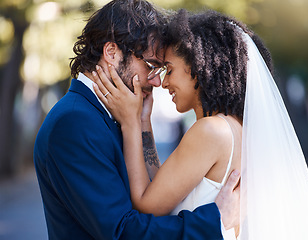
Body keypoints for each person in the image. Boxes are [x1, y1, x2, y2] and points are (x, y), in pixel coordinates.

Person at [93, 9, 308, 240]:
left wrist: (130, 123)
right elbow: (162, 188)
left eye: (170, 70)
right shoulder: (236, 129)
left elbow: (148, 206)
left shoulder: (210, 131)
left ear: (198, 69)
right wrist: (144, 120)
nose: (163, 83)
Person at [33, 1, 241, 240]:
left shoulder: (113, 114)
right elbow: (122, 231)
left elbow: (156, 193)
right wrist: (215, 222)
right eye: (150, 65)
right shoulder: (73, 123)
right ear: (112, 53)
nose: (155, 82)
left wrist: (141, 121)